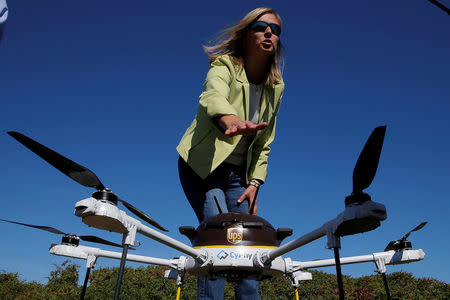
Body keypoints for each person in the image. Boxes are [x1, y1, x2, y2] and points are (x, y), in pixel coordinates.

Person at [176, 7, 284, 300]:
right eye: (261, 27)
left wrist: (255, 183)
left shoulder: (275, 86)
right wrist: (230, 120)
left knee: (248, 246)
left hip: (238, 174)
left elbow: (265, 140)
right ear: (247, 34)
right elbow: (212, 95)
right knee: (220, 240)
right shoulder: (224, 65)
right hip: (203, 166)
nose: (269, 33)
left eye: (275, 30)